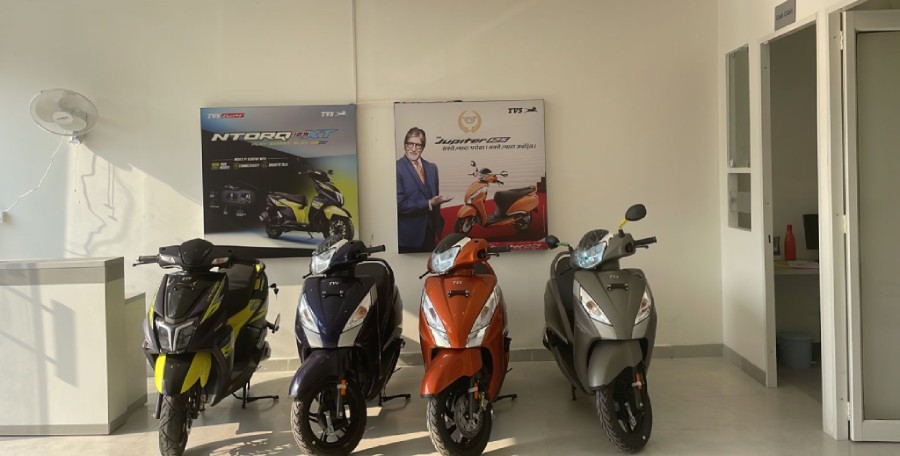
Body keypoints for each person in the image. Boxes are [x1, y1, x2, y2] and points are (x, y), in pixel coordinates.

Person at [396, 127, 452, 253]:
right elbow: (400, 205)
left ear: (423, 147)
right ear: (405, 145)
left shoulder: (432, 168)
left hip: (430, 234)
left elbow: (435, 198)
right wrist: (429, 203)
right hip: (408, 238)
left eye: (418, 145)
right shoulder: (397, 168)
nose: (413, 149)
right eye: (410, 144)